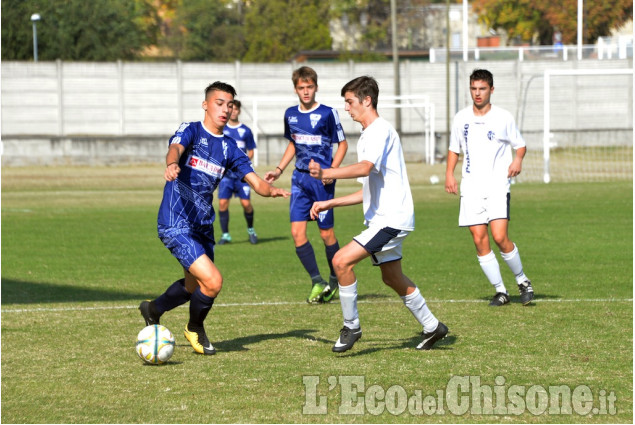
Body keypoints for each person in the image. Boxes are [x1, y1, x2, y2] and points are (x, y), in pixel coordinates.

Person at [139, 81, 290, 355]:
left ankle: (153, 308)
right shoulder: (192, 130)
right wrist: (172, 163)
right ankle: (195, 328)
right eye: (219, 103)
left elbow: (256, 182)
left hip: (203, 226)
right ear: (206, 104)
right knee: (213, 281)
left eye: (229, 104)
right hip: (176, 221)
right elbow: (175, 149)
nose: (225, 109)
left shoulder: (230, 147)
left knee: (193, 285)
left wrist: (273, 191)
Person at [309, 76, 448, 353]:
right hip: (386, 219)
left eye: (349, 102)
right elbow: (367, 191)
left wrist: (328, 172)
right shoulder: (369, 134)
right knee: (392, 278)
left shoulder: (378, 131)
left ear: (367, 100)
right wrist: (330, 203)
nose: (347, 108)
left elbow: (363, 168)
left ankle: (352, 326)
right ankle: (433, 327)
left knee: (340, 261)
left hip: (391, 220)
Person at [445, 68, 534, 307]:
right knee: (478, 238)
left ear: (491, 90)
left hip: (497, 186)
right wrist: (449, 175)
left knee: (499, 236)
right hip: (471, 187)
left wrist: (518, 160)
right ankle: (500, 291)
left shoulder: (503, 117)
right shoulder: (461, 118)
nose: (477, 93)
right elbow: (454, 149)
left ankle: (522, 280)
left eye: (482, 89)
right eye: (473, 88)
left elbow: (520, 145)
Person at [265, 66, 348, 304]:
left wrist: (332, 171)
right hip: (299, 180)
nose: (306, 91)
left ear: (316, 87)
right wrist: (279, 170)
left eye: (309, 87)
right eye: (301, 88)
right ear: (295, 89)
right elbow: (293, 144)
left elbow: (342, 145)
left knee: (326, 234)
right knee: (297, 233)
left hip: (322, 181)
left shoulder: (328, 113)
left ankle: (335, 278)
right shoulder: (290, 114)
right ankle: (317, 281)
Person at [218, 99, 259, 245]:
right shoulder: (222, 129)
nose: (233, 111)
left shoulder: (245, 131)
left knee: (246, 204)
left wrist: (241, 163)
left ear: (239, 111)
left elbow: (252, 150)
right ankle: (225, 235)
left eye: (236, 109)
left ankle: (251, 230)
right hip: (226, 176)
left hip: (241, 176)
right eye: (231, 109)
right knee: (222, 203)